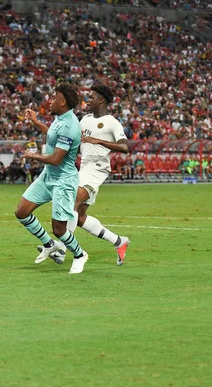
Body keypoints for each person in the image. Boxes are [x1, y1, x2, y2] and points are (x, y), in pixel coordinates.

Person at [40, 85, 130, 266]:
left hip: (97, 168)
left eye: (91, 97)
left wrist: (98, 141)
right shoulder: (84, 120)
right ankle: (119, 241)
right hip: (84, 168)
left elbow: (124, 147)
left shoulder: (111, 122)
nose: (87, 100)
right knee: (80, 217)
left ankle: (61, 250)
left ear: (101, 100)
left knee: (71, 203)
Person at [14, 83, 89, 274]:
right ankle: (49, 245)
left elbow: (56, 159)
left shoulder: (70, 125)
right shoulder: (59, 119)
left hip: (63, 180)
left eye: (54, 97)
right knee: (22, 212)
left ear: (62, 102)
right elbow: (52, 135)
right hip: (48, 176)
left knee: (59, 229)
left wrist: (33, 156)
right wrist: (37, 122)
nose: (50, 100)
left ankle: (80, 255)